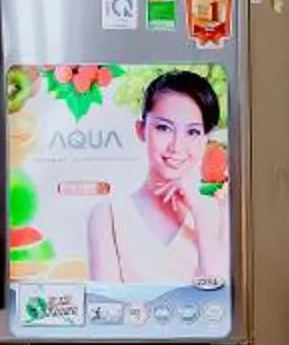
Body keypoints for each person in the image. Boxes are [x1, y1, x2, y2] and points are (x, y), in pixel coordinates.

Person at [86, 70, 230, 286]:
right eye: (164, 128)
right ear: (141, 130)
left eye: (192, 132)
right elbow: (107, 309)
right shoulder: (107, 217)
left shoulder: (222, 213)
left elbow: (222, 301)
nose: (177, 146)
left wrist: (201, 216)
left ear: (205, 139)